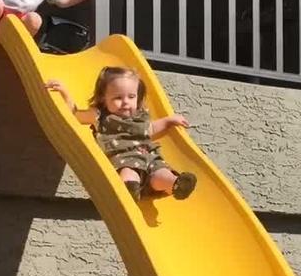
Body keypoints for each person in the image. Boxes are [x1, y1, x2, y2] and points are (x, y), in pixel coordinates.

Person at [46, 66, 197, 201]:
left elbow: (150, 129)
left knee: (160, 172)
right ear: (103, 99)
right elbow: (76, 115)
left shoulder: (139, 117)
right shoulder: (101, 116)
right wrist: (65, 94)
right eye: (118, 98)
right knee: (128, 173)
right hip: (124, 160)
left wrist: (169, 120)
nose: (126, 102)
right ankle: (130, 190)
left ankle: (175, 184)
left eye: (131, 97)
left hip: (149, 157)